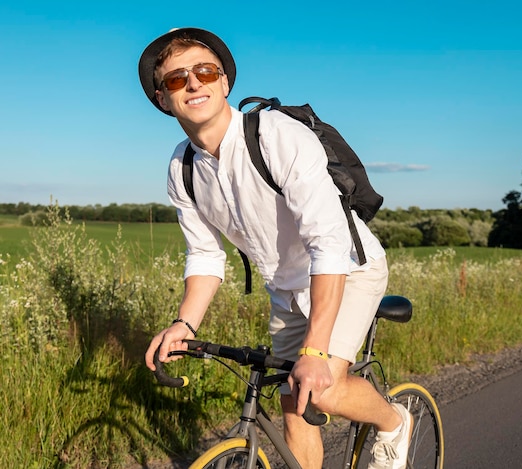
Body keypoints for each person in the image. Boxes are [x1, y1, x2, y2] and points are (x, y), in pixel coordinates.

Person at [139, 27, 412, 469]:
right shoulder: (182, 167)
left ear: (224, 82)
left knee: (321, 387)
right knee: (293, 406)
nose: (193, 83)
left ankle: (393, 422)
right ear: (161, 98)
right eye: (176, 78)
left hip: (348, 269)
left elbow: (329, 243)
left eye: (205, 71)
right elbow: (206, 256)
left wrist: (316, 350)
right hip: (286, 288)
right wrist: (183, 325)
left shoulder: (274, 135)